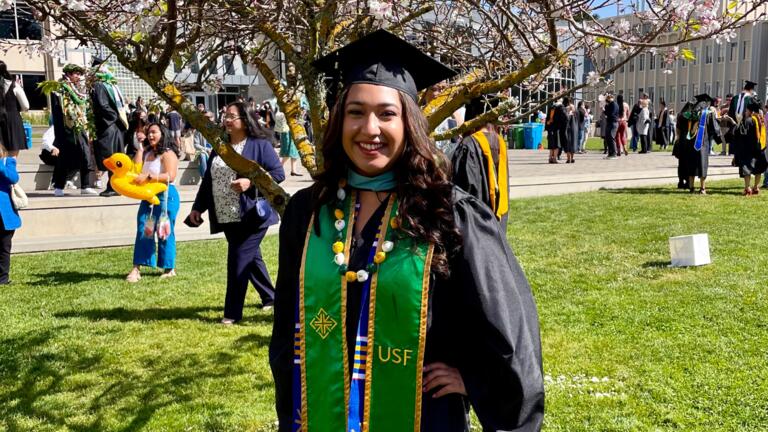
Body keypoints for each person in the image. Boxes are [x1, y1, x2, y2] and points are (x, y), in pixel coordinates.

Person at [269, 29, 544, 432]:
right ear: (338, 119)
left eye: (386, 113)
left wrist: (476, 380)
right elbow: (286, 329)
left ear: (409, 122)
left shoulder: (448, 213)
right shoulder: (308, 212)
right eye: (356, 112)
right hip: (321, 412)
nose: (370, 129)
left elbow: (509, 330)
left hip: (423, 416)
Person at [187, 102, 285, 323]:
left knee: (238, 259)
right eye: (225, 116)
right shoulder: (220, 146)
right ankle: (270, 297)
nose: (227, 120)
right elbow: (209, 181)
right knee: (249, 258)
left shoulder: (259, 145)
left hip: (252, 216)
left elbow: (278, 174)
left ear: (245, 119)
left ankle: (232, 313)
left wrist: (250, 182)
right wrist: (197, 208)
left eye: (232, 116)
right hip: (226, 215)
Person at [126, 122, 180, 282]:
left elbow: (171, 175)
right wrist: (140, 148)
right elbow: (136, 168)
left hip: (165, 197)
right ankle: (137, 268)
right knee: (144, 229)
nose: (150, 135)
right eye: (148, 133)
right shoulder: (148, 153)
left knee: (164, 231)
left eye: (154, 132)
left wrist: (149, 177)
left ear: (162, 134)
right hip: (148, 198)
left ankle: (169, 268)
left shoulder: (168, 154)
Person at [449, 95, 510, 225]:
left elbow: (463, 189)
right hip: (496, 221)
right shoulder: (499, 141)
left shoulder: (468, 145)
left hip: (475, 221)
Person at [50, 64, 97, 197]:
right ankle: (59, 186)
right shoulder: (59, 89)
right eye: (75, 73)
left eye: (79, 74)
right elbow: (58, 113)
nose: (78, 76)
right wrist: (59, 134)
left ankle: (85, 185)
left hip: (79, 125)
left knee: (85, 154)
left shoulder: (77, 89)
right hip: (66, 128)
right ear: (69, 74)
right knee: (64, 157)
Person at [90, 57, 128, 197]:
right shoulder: (109, 85)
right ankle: (115, 185)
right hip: (114, 125)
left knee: (111, 156)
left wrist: (114, 117)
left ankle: (113, 186)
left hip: (109, 127)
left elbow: (102, 105)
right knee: (114, 155)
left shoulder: (100, 85)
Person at [673, 94, 722, 194]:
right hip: (702, 144)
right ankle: (702, 188)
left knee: (691, 163)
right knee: (702, 164)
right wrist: (719, 139)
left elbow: (680, 121)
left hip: (690, 142)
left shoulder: (689, 113)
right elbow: (715, 128)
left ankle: (691, 187)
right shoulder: (708, 113)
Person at [733, 99, 766, 195]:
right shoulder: (761, 120)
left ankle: (747, 188)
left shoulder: (748, 121)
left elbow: (740, 134)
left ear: (750, 111)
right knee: (758, 169)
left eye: (746, 110)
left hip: (748, 150)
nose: (745, 112)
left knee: (747, 169)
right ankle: (756, 187)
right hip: (760, 149)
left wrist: (737, 124)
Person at [0, 146, 21, 285]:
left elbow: (14, 178)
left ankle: (3, 278)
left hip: (4, 214)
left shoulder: (8, 162)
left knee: (4, 247)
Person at [0, 61, 30, 157]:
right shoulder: (14, 85)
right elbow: (26, 106)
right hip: (13, 119)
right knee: (12, 157)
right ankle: (10, 171)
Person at [274, 110, 302, 176]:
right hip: (287, 132)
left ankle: (293, 170)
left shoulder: (291, 108)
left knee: (294, 152)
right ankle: (278, 168)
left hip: (291, 131)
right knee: (288, 152)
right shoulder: (286, 110)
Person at [545, 99, 567, 163]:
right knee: (557, 144)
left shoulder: (551, 107)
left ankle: (550, 158)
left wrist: (547, 127)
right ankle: (554, 158)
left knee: (551, 144)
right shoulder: (561, 108)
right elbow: (564, 118)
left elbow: (548, 118)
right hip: (557, 128)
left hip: (550, 128)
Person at [603, 93, 619, 159]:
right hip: (610, 122)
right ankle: (610, 153)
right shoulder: (610, 104)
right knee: (608, 138)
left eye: (607, 98)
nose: (606, 99)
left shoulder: (613, 104)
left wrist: (605, 109)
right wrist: (605, 108)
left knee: (611, 137)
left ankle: (614, 153)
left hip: (613, 122)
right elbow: (607, 112)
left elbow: (610, 113)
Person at [564, 98, 579, 163]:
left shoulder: (566, 109)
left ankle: (568, 158)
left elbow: (565, 118)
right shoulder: (575, 110)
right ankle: (572, 158)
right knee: (573, 143)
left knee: (568, 143)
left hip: (568, 128)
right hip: (574, 128)